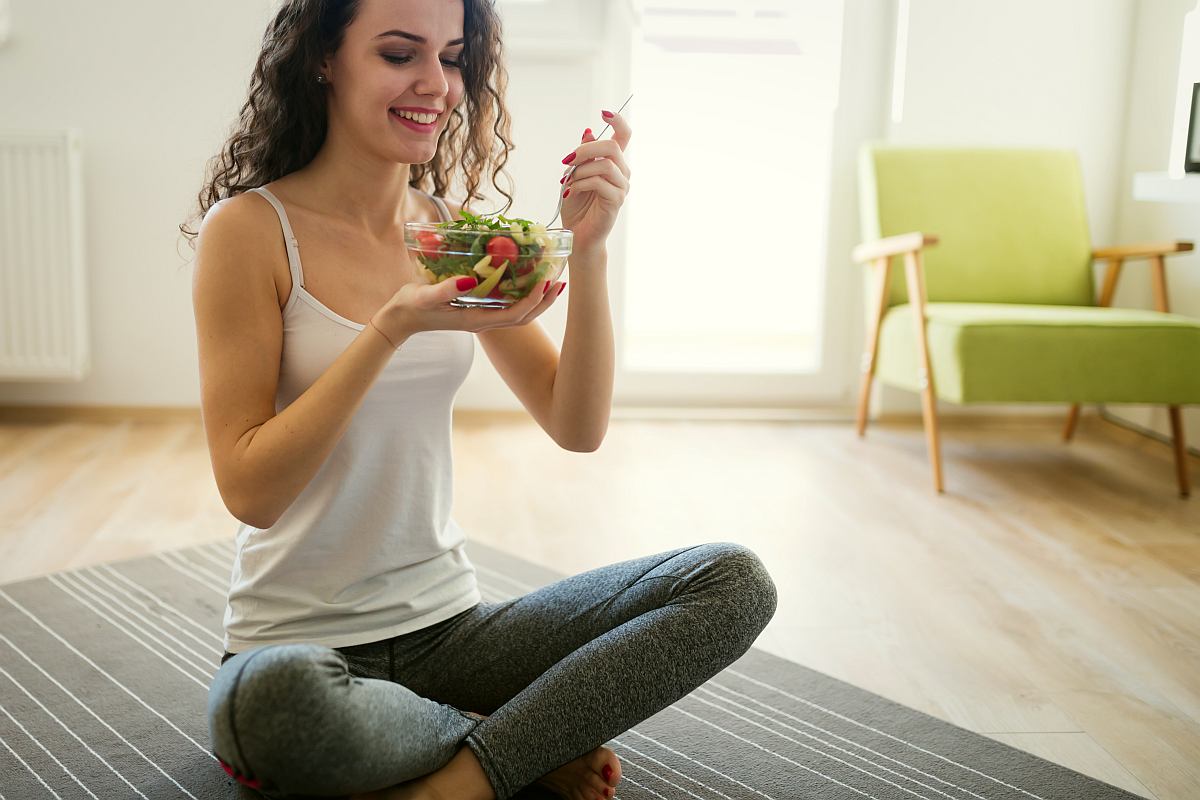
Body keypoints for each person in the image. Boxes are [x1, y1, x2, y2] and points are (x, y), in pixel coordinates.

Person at [182, 0, 778, 798]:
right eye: (400, 54)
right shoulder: (250, 230)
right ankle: (514, 744)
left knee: (733, 581)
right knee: (270, 708)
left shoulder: (451, 231)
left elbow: (577, 424)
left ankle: (460, 777)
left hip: (451, 632)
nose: (436, 83)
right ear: (323, 57)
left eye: (454, 58)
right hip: (296, 648)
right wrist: (389, 329)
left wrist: (588, 250)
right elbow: (249, 491)